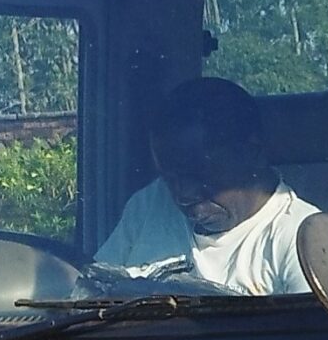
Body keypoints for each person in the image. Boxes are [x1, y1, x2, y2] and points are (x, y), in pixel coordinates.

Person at [96, 77, 316, 295]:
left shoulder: (302, 240)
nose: (183, 195)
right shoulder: (148, 205)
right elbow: (91, 293)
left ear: (252, 152)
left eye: (198, 176)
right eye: (170, 179)